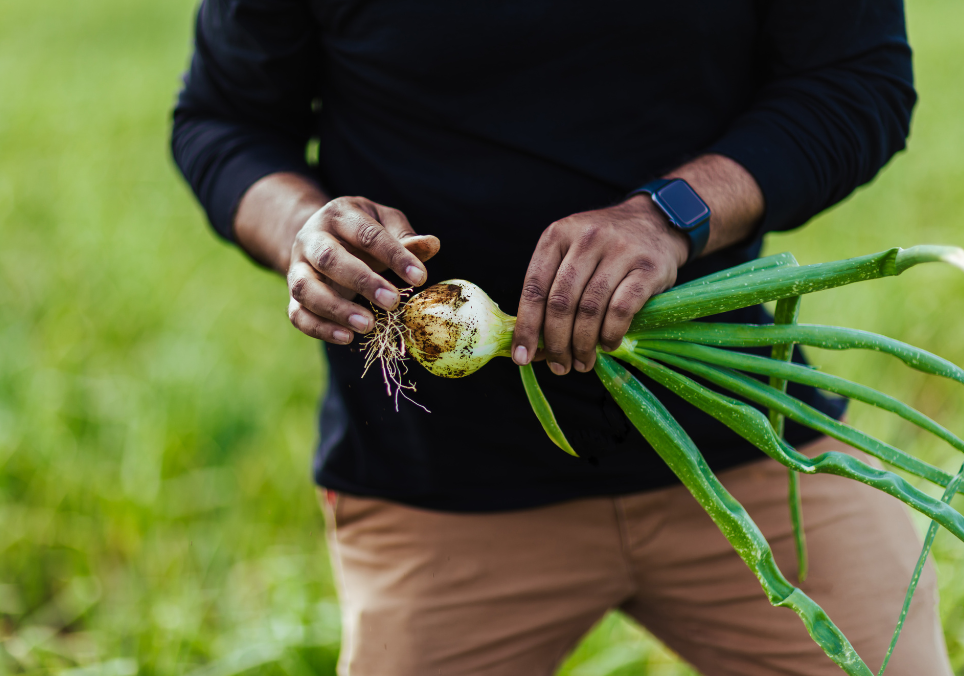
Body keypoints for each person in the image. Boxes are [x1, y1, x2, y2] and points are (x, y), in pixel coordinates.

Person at [171, 1, 952, 674]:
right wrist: (302, 232)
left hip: (744, 443)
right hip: (441, 486)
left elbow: (855, 82)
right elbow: (223, 119)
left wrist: (671, 214)